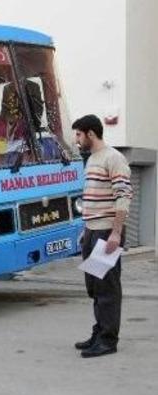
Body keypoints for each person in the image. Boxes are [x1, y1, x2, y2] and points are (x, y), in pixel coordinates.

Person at [72, 114, 133, 358]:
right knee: (95, 287)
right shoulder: (92, 159)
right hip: (92, 230)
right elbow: (91, 198)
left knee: (107, 287)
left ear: (90, 133)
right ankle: (99, 331)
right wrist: (85, 229)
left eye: (78, 134)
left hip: (107, 231)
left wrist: (115, 233)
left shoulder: (114, 158)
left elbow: (123, 196)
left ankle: (108, 340)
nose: (76, 139)